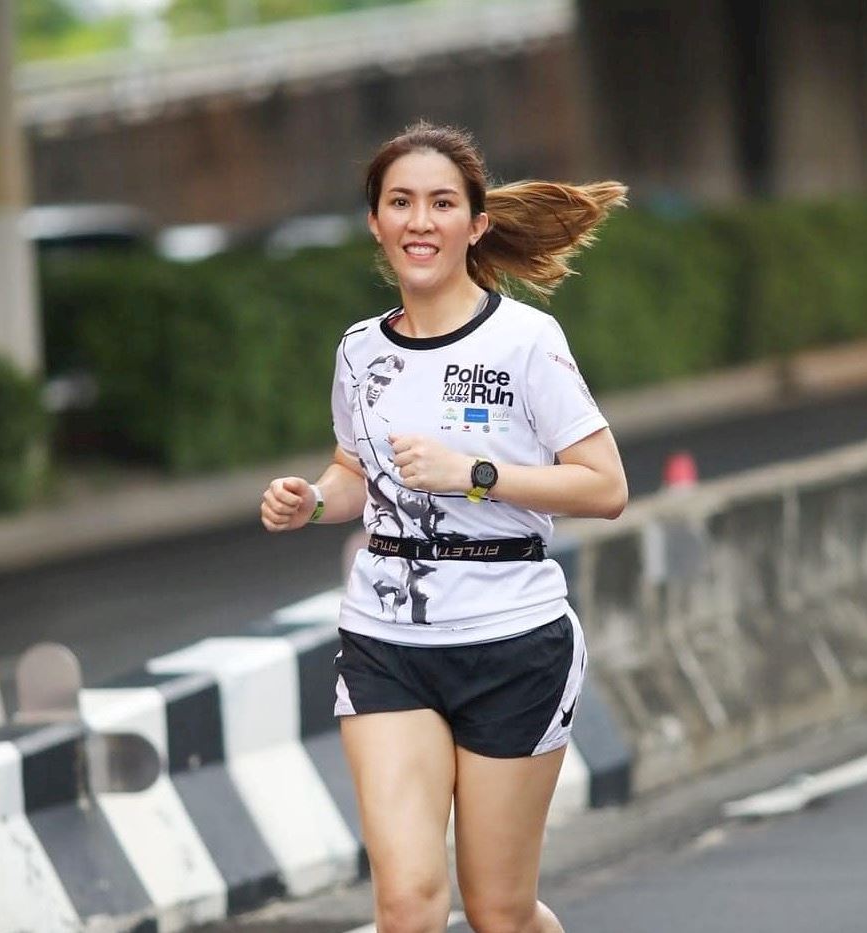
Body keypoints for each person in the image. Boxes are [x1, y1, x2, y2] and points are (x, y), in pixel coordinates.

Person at [261, 121, 628, 933]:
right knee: (408, 902)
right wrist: (311, 501)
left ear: (475, 222)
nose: (419, 221)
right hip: (387, 642)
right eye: (400, 203)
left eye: (439, 203)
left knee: (499, 911)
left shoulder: (526, 342)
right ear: (375, 222)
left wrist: (476, 474)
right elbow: (356, 472)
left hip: (514, 643)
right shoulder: (359, 351)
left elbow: (606, 486)